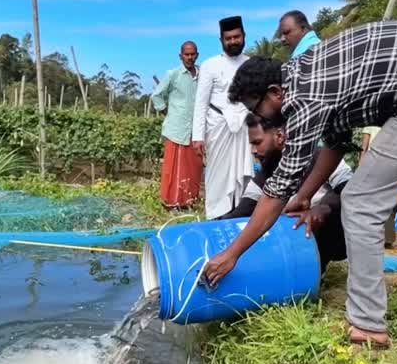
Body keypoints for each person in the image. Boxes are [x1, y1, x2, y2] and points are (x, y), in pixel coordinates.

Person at [203, 20, 397, 349]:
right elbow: (335, 145)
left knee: (361, 200)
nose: (261, 118)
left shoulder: (303, 98)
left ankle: (367, 324)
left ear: (275, 93)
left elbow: (278, 189)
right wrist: (305, 196)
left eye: (257, 108)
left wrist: (232, 254)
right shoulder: (304, 74)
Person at [219, 113, 352, 267]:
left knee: (330, 212)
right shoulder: (265, 174)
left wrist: (324, 209)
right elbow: (242, 211)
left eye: (257, 142)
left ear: (280, 136)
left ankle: (312, 270)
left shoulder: (322, 158)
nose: (253, 151)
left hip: (333, 237)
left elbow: (350, 192)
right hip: (291, 241)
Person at [192, 16, 253, 220]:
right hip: (218, 126)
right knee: (217, 177)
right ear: (221, 40)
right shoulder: (210, 65)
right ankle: (216, 218)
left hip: (245, 128)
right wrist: (197, 136)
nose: (233, 41)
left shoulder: (251, 64)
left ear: (243, 36)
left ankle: (239, 217)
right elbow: (201, 103)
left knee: (244, 175)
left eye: (237, 37)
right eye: (228, 38)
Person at [151, 41, 202, 209]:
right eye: (186, 54)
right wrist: (167, 112)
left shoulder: (202, 74)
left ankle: (190, 200)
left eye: (192, 54)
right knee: (175, 167)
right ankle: (172, 202)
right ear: (181, 56)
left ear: (197, 55)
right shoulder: (173, 74)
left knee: (193, 166)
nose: (189, 57)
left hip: (195, 129)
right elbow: (157, 95)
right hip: (177, 128)